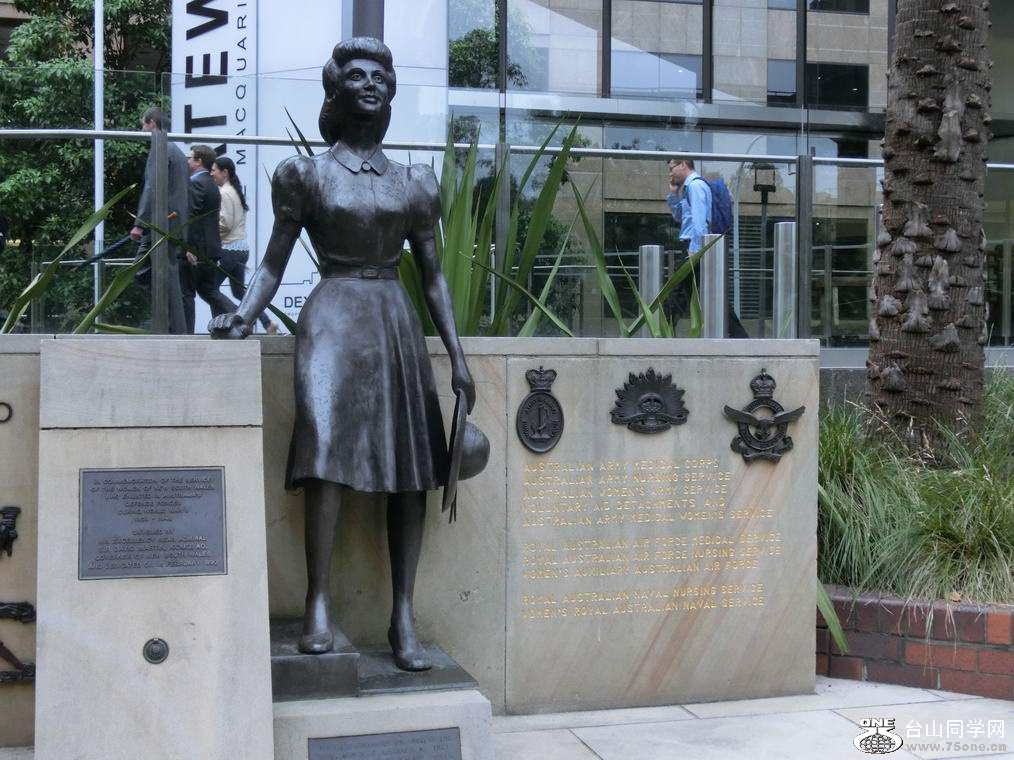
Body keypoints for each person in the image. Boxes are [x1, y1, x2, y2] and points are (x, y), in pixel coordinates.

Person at [209, 38, 476, 671]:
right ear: (335, 90)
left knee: (411, 466)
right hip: (331, 316)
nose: (370, 84)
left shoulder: (414, 183)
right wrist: (243, 315)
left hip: (393, 319)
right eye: (356, 75)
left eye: (380, 76)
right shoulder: (305, 175)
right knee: (323, 447)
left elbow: (434, 278)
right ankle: (318, 601)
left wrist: (457, 356)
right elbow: (272, 262)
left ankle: (403, 613)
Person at [665, 158, 748, 338]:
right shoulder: (687, 189)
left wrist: (695, 251)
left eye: (672, 168)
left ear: (683, 164)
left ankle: (660, 336)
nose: (670, 173)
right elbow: (680, 217)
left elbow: (700, 221)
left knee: (677, 293)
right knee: (708, 296)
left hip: (694, 247)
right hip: (694, 246)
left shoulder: (695, 186)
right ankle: (741, 338)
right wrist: (673, 194)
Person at [131, 107, 190, 334]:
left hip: (161, 223)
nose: (142, 130)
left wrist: (139, 223)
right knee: (164, 271)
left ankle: (171, 325)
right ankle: (169, 323)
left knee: (148, 270)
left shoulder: (161, 148)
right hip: (173, 221)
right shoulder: (177, 152)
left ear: (152, 123)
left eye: (143, 125)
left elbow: (152, 187)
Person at [210, 156, 278, 334]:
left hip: (229, 249)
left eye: (214, 170)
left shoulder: (225, 193)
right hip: (240, 249)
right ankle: (267, 323)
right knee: (239, 292)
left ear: (225, 172)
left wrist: (211, 232)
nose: (211, 174)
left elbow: (226, 224)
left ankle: (228, 323)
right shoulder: (235, 191)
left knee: (211, 290)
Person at [182, 144, 237, 333]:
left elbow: (192, 216)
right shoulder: (212, 185)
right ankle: (239, 315)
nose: (187, 161)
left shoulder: (196, 183)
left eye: (190, 158)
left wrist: (187, 247)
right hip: (211, 248)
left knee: (187, 293)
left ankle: (186, 334)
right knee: (209, 291)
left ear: (198, 161)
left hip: (197, 249)